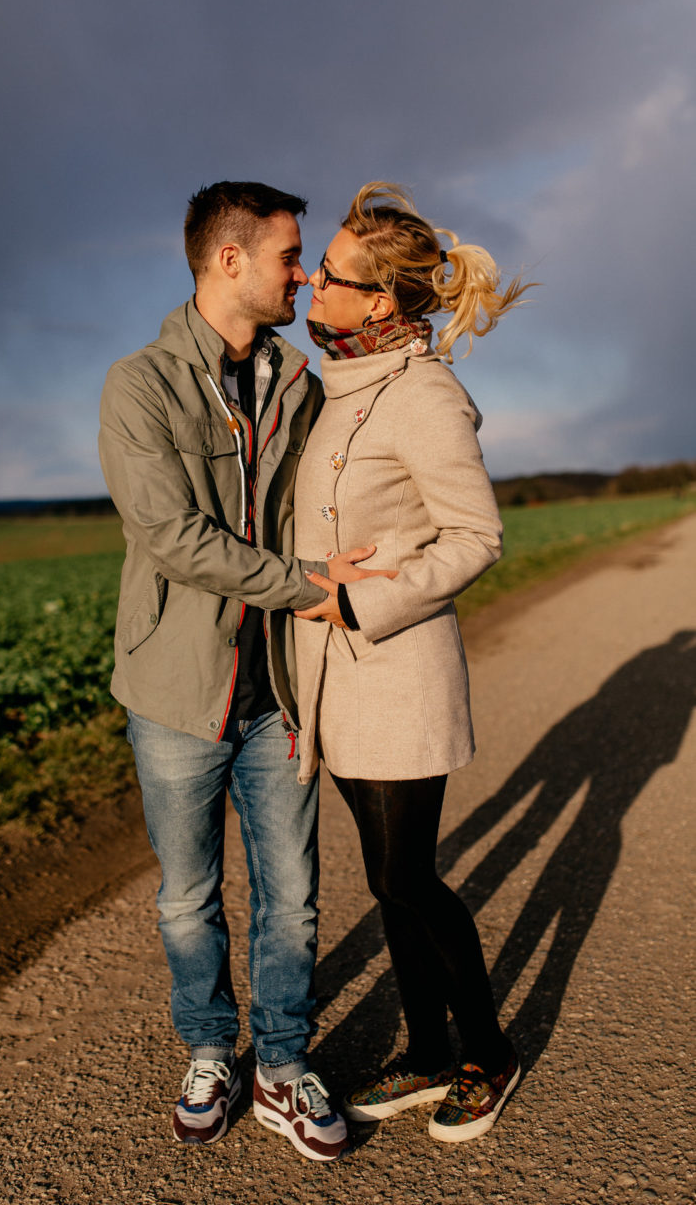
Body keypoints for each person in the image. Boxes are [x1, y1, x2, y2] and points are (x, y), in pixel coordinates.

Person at [99, 182, 380, 1163]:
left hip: (282, 689)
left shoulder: (300, 383)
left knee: (292, 892)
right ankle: (212, 1044)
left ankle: (285, 1060)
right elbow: (174, 537)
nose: (301, 273)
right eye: (288, 255)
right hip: (178, 689)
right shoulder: (138, 385)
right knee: (188, 894)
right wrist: (303, 584)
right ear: (229, 260)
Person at [293, 182, 533, 1144]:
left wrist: (360, 600)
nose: (312, 278)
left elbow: (477, 536)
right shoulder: (339, 386)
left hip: (395, 670)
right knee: (389, 878)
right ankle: (428, 1052)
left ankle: (485, 1052)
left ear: (380, 304)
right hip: (334, 678)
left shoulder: (425, 394)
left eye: (333, 273)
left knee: (406, 879)